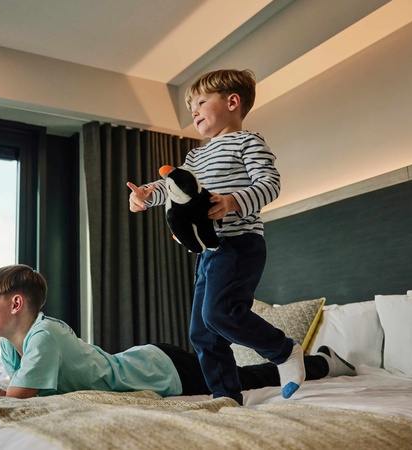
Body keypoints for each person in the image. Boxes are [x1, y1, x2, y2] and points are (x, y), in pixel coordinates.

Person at [126, 69, 297, 405]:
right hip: (210, 251)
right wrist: (146, 193)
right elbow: (175, 186)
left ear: (232, 102)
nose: (194, 112)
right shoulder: (195, 155)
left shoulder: (248, 141)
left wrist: (233, 201)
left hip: (240, 243)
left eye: (201, 103)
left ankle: (284, 350)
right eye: (192, 107)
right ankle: (226, 396)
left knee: (220, 314)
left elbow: (270, 184)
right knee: (202, 332)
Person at [0, 264, 355, 400]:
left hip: (162, 370)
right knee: (242, 375)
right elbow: (13, 396)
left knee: (247, 377)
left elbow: (13, 404)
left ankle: (323, 362)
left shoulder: (44, 336)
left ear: (16, 304)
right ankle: (317, 361)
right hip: (145, 360)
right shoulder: (15, 346)